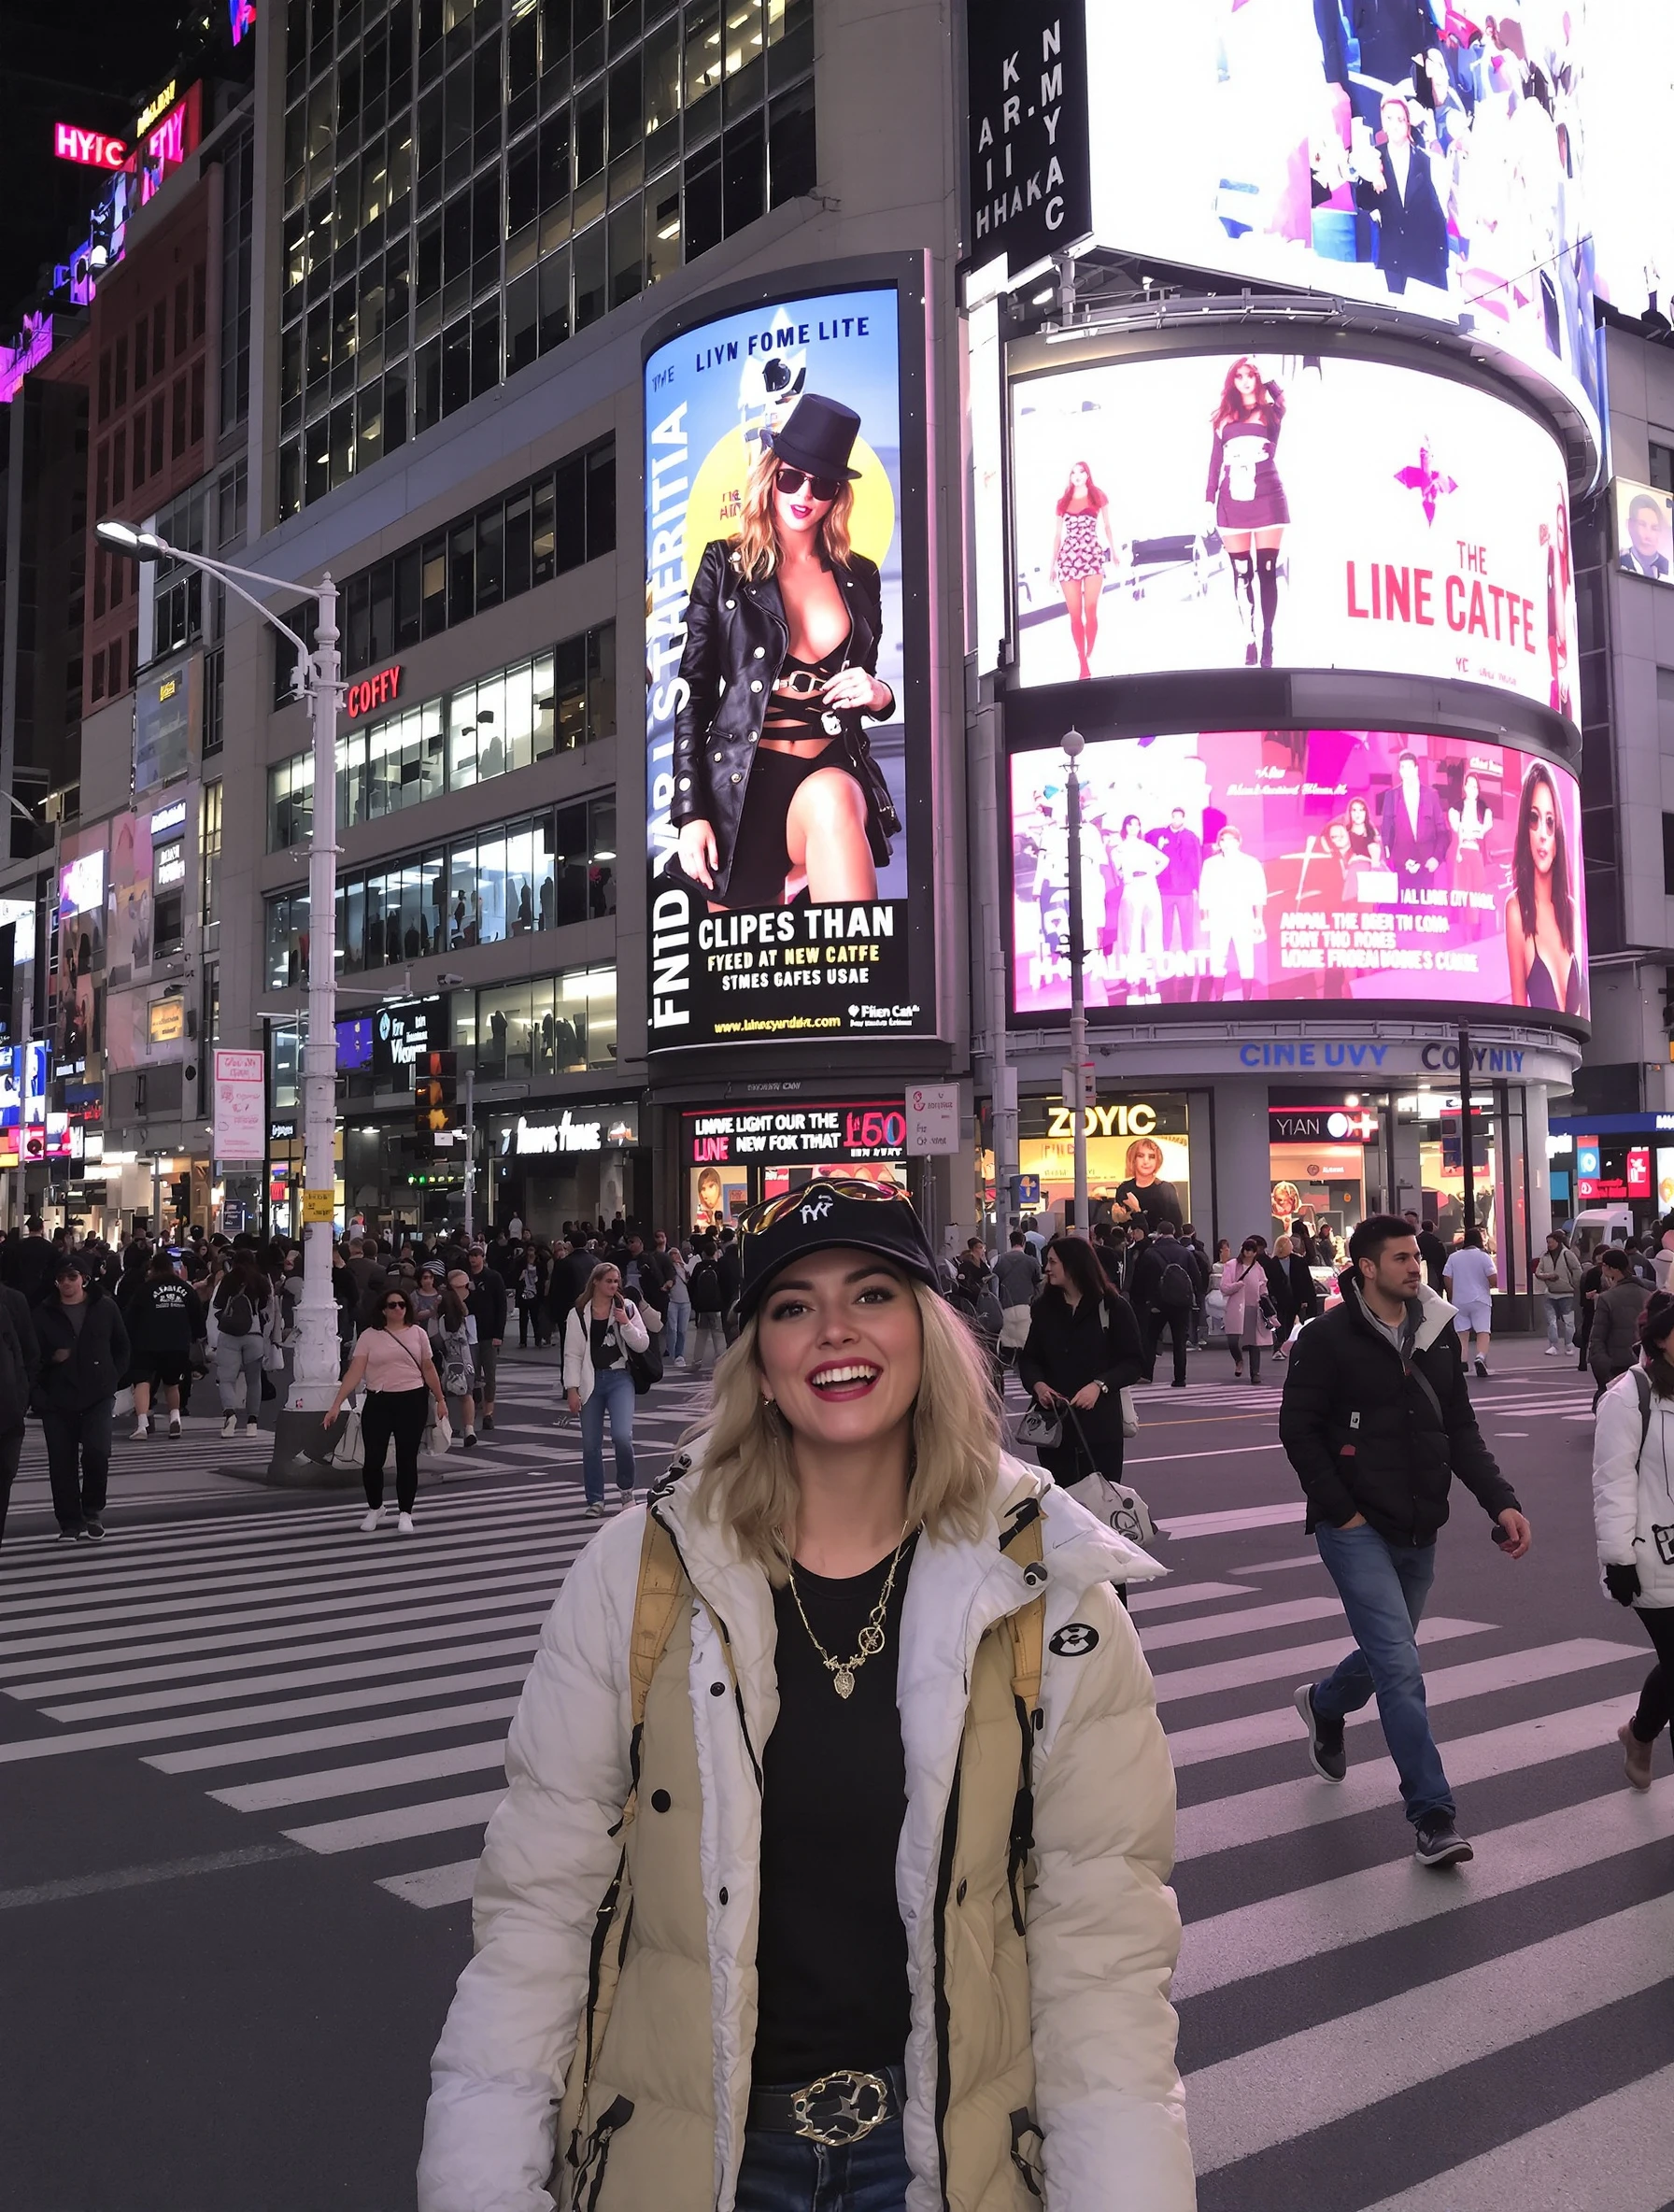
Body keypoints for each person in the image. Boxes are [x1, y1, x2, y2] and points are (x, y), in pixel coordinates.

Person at [417, 1181, 1192, 2211]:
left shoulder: (1047, 1586)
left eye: (872, 1293)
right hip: (694, 2160)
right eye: (791, 1305)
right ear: (761, 1365)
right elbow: (538, 1914)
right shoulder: (641, 1574)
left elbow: (1103, 1951)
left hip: (950, 2161)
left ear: (926, 1332)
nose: (833, 1329)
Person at [1281, 1215, 1530, 1867]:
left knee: (1390, 1653)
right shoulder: (1329, 1337)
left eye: (1416, 1256)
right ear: (1366, 1267)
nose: (1414, 1267)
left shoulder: (1436, 1331)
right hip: (1355, 1528)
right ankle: (1434, 1815)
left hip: (1420, 1524)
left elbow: (1460, 1428)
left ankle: (1325, 1703)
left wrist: (1500, 1501)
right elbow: (1298, 1430)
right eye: (1399, 1258)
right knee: (1399, 1666)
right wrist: (1342, 1513)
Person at [670, 393, 899, 912]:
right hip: (742, 786)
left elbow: (867, 680)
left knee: (836, 803)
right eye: (791, 477)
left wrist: (879, 694)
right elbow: (694, 693)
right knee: (748, 982)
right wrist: (690, 811)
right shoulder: (726, 564)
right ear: (771, 474)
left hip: (827, 767)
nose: (804, 495)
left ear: (837, 494)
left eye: (822, 485)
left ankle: (862, 993)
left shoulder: (860, 576)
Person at [1592, 1293, 1674, 1790]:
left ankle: (1640, 1733)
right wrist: (1618, 1559)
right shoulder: (1630, 1396)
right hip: (1653, 1558)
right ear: (1661, 1340)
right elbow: (1613, 1481)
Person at [1016, 1233, 1146, 1495]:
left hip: (1100, 1428)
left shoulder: (1113, 1307)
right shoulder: (1044, 1308)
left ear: (1073, 1265)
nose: (1047, 1268)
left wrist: (1099, 1386)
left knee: (1102, 1502)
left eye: (1053, 1262)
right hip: (1055, 1428)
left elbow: (1133, 1362)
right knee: (1060, 1505)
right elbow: (1030, 1358)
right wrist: (1038, 1386)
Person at [327, 1284, 446, 1535]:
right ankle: (375, 1507)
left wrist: (441, 1398)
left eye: (402, 1305)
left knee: (406, 1459)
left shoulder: (417, 1334)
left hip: (412, 1399)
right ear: (383, 1310)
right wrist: (336, 1404)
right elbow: (356, 1371)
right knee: (373, 1460)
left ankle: (406, 1512)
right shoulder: (369, 1336)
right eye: (392, 1305)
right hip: (379, 1400)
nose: (398, 1309)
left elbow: (428, 1368)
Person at [33, 1257, 130, 1542]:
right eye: (61, 1278)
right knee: (61, 1463)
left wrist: (113, 1378)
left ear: (84, 1279)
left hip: (97, 1394)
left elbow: (122, 1345)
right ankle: (69, 1522)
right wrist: (40, 1389)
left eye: (71, 1277)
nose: (66, 1283)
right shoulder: (44, 1313)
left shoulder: (104, 1307)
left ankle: (92, 1510)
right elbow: (32, 1356)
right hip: (57, 1398)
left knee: (97, 1453)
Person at [1204, 355, 1289, 667]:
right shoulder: (1223, 420)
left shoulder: (1270, 413)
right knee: (1242, 574)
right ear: (1232, 381)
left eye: (1250, 374)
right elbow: (1215, 463)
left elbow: (1284, 401)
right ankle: (1249, 638)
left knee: (1267, 571)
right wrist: (1207, 500)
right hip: (1232, 500)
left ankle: (1268, 637)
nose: (1245, 380)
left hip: (1267, 494)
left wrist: (1267, 375)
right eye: (1238, 375)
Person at [563, 1261, 650, 1519]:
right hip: (591, 1381)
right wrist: (572, 1388)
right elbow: (572, 1353)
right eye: (609, 1281)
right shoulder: (579, 1313)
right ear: (596, 1283)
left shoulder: (627, 1307)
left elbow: (642, 1344)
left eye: (616, 1281)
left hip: (620, 1378)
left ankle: (626, 1489)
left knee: (622, 1436)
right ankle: (595, 1499)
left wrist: (625, 1323)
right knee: (591, 1444)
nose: (614, 1286)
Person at [1355, 90, 1449, 295]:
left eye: (1400, 118)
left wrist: (1442, 261)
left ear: (1407, 122)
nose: (1395, 124)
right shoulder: (1375, 157)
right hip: (1392, 260)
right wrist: (1371, 176)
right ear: (1383, 122)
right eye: (1389, 118)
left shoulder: (1425, 161)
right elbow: (1363, 201)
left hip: (1423, 261)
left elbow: (1436, 213)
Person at [1506, 759, 1582, 1014]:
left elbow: (1582, 1014)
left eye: (1550, 822)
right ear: (1524, 827)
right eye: (1534, 819)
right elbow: (1519, 1013)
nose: (1542, 834)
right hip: (1536, 1054)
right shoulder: (1516, 910)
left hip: (1577, 1053)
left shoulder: (1570, 910)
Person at [1048, 460, 1117, 679]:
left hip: (1091, 554)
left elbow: (1107, 525)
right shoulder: (1062, 502)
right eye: (1073, 473)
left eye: (1081, 472)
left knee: (1091, 609)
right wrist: (1052, 564)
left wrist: (1114, 551)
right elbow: (1058, 535)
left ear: (1088, 475)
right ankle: (1083, 662)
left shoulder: (1098, 496)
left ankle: (1090, 650)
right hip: (1069, 557)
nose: (1077, 475)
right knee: (1075, 615)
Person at [126, 1249, 204, 1440]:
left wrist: (129, 1339)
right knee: (172, 1383)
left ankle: (142, 1424)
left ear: (152, 1269)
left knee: (142, 1382)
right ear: (172, 1268)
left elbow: (131, 1316)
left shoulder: (145, 1289)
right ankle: (175, 1419)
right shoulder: (185, 1288)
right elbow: (197, 1314)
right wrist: (197, 1336)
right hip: (177, 1343)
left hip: (147, 1342)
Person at [1198, 825, 1268, 997]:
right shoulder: (1210, 864)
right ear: (1219, 843)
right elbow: (1204, 890)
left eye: (1231, 840)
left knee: (1246, 958)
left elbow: (1259, 892)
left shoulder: (1251, 863)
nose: (1227, 843)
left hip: (1243, 916)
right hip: (1218, 916)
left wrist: (1258, 919)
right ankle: (1219, 999)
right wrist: (1205, 917)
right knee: (1218, 958)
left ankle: (1247, 1000)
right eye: (1223, 840)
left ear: (1238, 842)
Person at [1129, 1221, 1198, 1388]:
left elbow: (1139, 1279)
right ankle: (1180, 1378)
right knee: (1180, 1340)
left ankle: (1146, 1374)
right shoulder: (1184, 1252)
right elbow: (1196, 1276)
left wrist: (1141, 1300)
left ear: (1158, 1233)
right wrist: (1193, 1297)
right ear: (1174, 1232)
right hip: (1181, 1303)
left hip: (1157, 1303)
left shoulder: (1150, 1253)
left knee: (1151, 1337)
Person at [211, 1257, 272, 1438]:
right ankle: (252, 1423)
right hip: (254, 1333)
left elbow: (217, 1304)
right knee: (254, 1381)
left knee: (226, 1379)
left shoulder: (228, 1280)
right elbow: (265, 1306)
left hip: (230, 1333)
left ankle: (230, 1415)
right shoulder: (259, 1280)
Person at [0, 1283, 39, 1547]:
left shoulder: (9, 1303)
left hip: (8, 1413)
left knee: (3, 1478)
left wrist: (21, 1398)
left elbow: (27, 1353)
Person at [1378, 751, 1452, 886]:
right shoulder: (1391, 796)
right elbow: (1386, 834)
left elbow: (1443, 832)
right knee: (1401, 905)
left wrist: (1436, 858)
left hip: (1427, 864)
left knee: (1424, 906)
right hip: (1401, 866)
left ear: (1416, 769)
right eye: (1402, 768)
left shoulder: (1431, 795)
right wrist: (1396, 860)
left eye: (1409, 767)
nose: (1406, 772)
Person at [1589, 1249, 1649, 1407]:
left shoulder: (1607, 1298)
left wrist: (1601, 1364)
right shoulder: (1648, 1294)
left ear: (1612, 1269)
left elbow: (1597, 1336)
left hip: (1616, 1362)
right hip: (1642, 1360)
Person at [1147, 807, 1203, 961]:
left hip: (1185, 889)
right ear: (1171, 817)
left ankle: (1188, 956)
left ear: (1183, 819)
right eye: (1174, 817)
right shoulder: (1158, 834)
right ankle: (1164, 954)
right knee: (1165, 925)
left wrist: (1197, 888)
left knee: (1187, 925)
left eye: (1179, 817)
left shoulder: (1191, 837)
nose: (1176, 820)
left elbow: (1196, 863)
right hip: (1165, 889)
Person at [1441, 1227, 1497, 1378]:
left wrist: (1452, 1294)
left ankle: (1462, 1361)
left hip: (1459, 1300)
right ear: (1479, 1240)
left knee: (1462, 1332)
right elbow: (1493, 1278)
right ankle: (1480, 1357)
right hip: (1480, 1299)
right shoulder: (1484, 1257)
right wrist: (1491, 1284)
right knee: (1483, 1331)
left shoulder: (1454, 1257)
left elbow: (1447, 1276)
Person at [435, 1275, 480, 1449]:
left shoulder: (441, 1321)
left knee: (442, 1396)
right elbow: (472, 1339)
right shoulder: (463, 1320)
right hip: (466, 1360)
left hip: (447, 1361)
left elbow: (435, 1339)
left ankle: (444, 1429)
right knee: (466, 1395)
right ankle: (469, 1429)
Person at [465, 1244, 507, 1431]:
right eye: (471, 1255)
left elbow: (501, 1306)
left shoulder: (493, 1277)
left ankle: (488, 1413)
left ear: (483, 1257)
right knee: (471, 1373)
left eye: (477, 1255)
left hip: (489, 1333)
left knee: (490, 1374)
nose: (474, 1259)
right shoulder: (465, 1278)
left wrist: (499, 1334)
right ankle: (472, 1409)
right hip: (469, 1333)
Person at [1221, 1237, 1273, 1382]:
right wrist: (1237, 1285)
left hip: (1253, 1306)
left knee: (1254, 1342)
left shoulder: (1258, 1268)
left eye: (1250, 1250)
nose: (1247, 1253)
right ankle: (1238, 1360)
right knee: (1232, 1340)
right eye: (1245, 1249)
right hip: (1236, 1307)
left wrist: (1266, 1303)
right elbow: (1224, 1287)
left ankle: (1255, 1373)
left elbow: (1263, 1288)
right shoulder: (1231, 1266)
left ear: (1255, 1253)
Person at [1114, 1136, 1184, 1233]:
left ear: (1157, 1160)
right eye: (1140, 1156)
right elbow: (1121, 1226)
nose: (1146, 1161)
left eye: (1151, 1157)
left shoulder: (1166, 1189)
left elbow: (1176, 1225)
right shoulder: (1124, 1189)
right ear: (1133, 1159)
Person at [994, 1227, 1043, 1361]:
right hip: (1026, 1305)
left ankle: (1009, 1362)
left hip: (1005, 1306)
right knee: (1025, 1339)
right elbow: (1038, 1283)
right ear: (1024, 1242)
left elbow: (994, 1282)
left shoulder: (999, 1260)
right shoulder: (1032, 1261)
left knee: (1008, 1340)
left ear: (1010, 1242)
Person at [1534, 1229, 1582, 1354]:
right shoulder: (1545, 1256)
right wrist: (1549, 1276)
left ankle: (1569, 1345)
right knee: (1551, 1321)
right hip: (1550, 1293)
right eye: (1547, 1243)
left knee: (1568, 1321)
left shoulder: (1568, 1254)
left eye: (1551, 1242)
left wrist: (1576, 1286)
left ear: (1558, 1242)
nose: (1549, 1245)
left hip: (1567, 1293)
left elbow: (1577, 1271)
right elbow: (1538, 1272)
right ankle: (1553, 1345)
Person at [1273, 1233, 1320, 1354]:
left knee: (1293, 1322)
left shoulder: (1298, 1261)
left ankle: (1289, 1345)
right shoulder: (1272, 1263)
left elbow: (1306, 1282)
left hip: (1296, 1298)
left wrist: (1306, 1299)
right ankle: (1282, 1345)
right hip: (1281, 1299)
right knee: (1282, 1322)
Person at [687, 1238, 728, 1373]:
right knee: (718, 1334)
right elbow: (724, 1286)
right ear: (716, 1252)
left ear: (703, 1253)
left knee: (701, 1334)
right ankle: (720, 1361)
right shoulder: (719, 1266)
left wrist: (695, 1303)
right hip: (717, 1307)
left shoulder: (699, 1267)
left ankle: (697, 1362)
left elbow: (691, 1286)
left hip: (702, 1307)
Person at [1620, 490, 1671, 580]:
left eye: (1654, 528)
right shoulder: (1620, 561)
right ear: (1630, 525)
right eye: (1642, 525)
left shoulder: (1670, 569)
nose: (1648, 536)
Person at [662, 1234, 693, 1368]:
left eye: (676, 1253)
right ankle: (673, 1353)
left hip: (685, 1302)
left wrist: (683, 1266)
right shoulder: (668, 1269)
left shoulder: (684, 1267)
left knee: (682, 1330)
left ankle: (679, 1354)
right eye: (672, 1254)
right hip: (672, 1301)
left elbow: (690, 1279)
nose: (675, 1256)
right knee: (672, 1329)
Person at [1415, 1217, 1447, 1293]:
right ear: (1432, 1228)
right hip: (1434, 1269)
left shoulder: (1417, 1239)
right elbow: (1442, 1257)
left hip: (1421, 1268)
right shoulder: (1436, 1241)